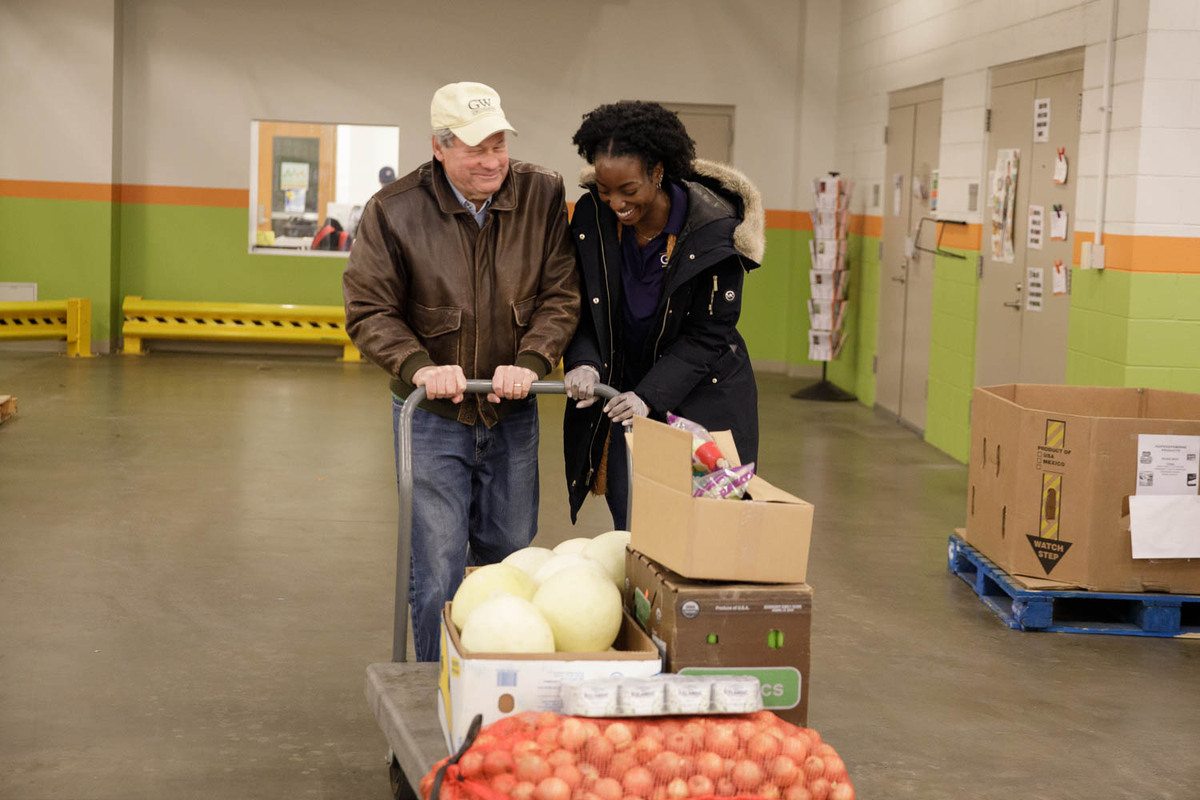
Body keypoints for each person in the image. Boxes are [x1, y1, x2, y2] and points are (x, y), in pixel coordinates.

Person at [343, 82, 580, 661]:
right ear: (439, 148)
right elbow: (369, 310)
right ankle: (433, 691)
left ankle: (498, 689)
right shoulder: (393, 211)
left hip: (511, 412)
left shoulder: (541, 193)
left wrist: (531, 362)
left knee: (509, 566)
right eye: (476, 148)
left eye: (498, 144)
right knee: (439, 566)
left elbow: (560, 293)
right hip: (431, 418)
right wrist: (420, 368)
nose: (492, 160)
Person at [562, 101, 764, 528]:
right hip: (627, 390)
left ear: (657, 172)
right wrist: (582, 360)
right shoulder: (592, 217)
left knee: (705, 524)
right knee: (634, 521)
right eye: (604, 188)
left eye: (628, 190)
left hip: (704, 391)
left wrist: (649, 396)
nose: (615, 202)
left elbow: (710, 334)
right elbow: (580, 303)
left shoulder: (714, 230)